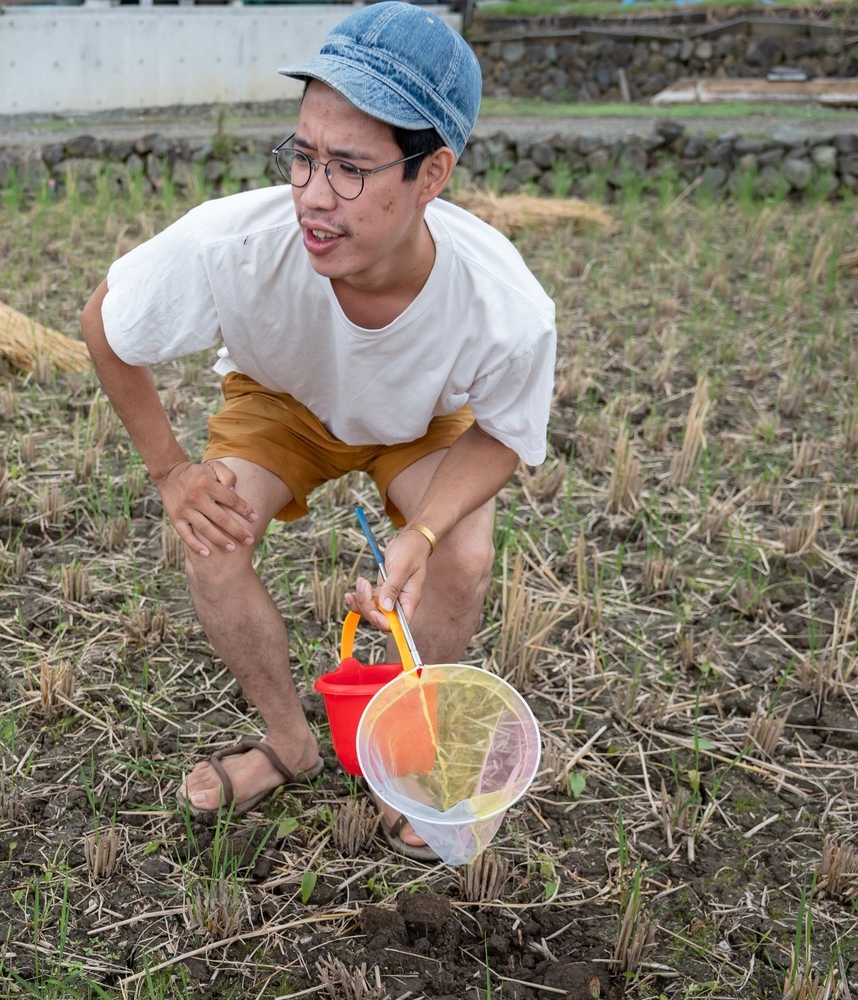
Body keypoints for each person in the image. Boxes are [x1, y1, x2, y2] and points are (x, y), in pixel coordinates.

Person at [80, 2, 555, 861]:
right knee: (212, 537)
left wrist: (427, 531)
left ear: (431, 173)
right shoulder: (233, 243)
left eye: (349, 169)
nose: (312, 196)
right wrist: (171, 473)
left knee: (464, 556)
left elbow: (505, 434)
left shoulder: (503, 302)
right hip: (281, 398)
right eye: (302, 157)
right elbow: (105, 325)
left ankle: (412, 760)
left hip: (417, 420)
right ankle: (290, 743)